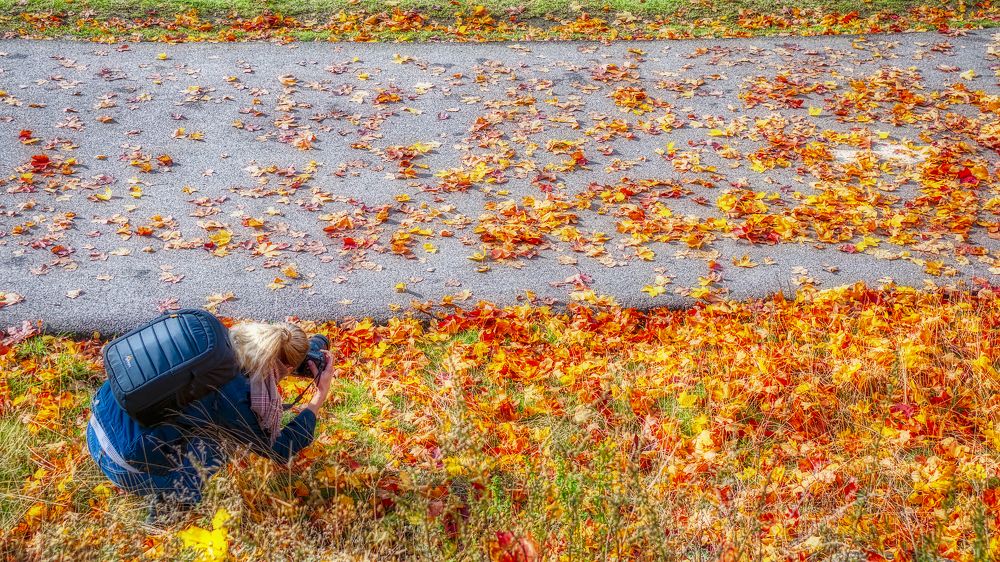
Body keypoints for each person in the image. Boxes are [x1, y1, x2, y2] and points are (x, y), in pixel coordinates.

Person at [85, 321, 339, 525]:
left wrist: (298, 353)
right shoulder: (237, 397)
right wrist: (318, 397)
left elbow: (270, 359)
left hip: (97, 426)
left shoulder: (214, 340)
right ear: (282, 365)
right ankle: (163, 520)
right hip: (120, 463)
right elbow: (279, 449)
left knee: (198, 419)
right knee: (217, 444)